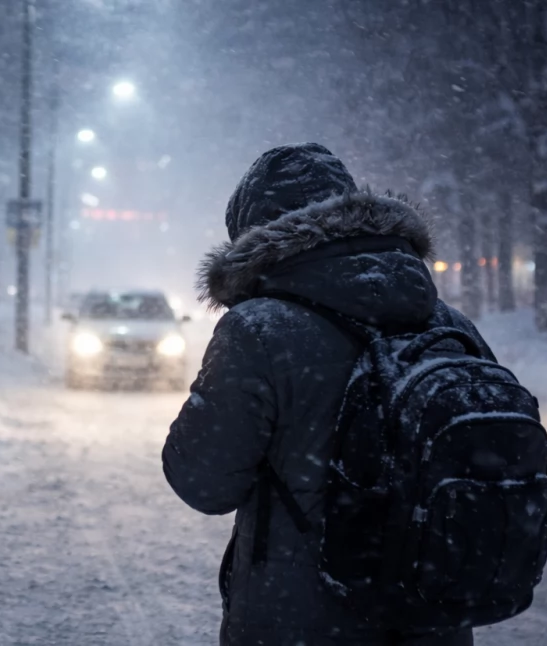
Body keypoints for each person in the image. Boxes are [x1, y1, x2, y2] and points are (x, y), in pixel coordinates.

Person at [163, 143, 487, 645]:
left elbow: (204, 483)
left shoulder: (258, 330)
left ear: (251, 234)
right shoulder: (447, 322)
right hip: (431, 613)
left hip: (299, 618)